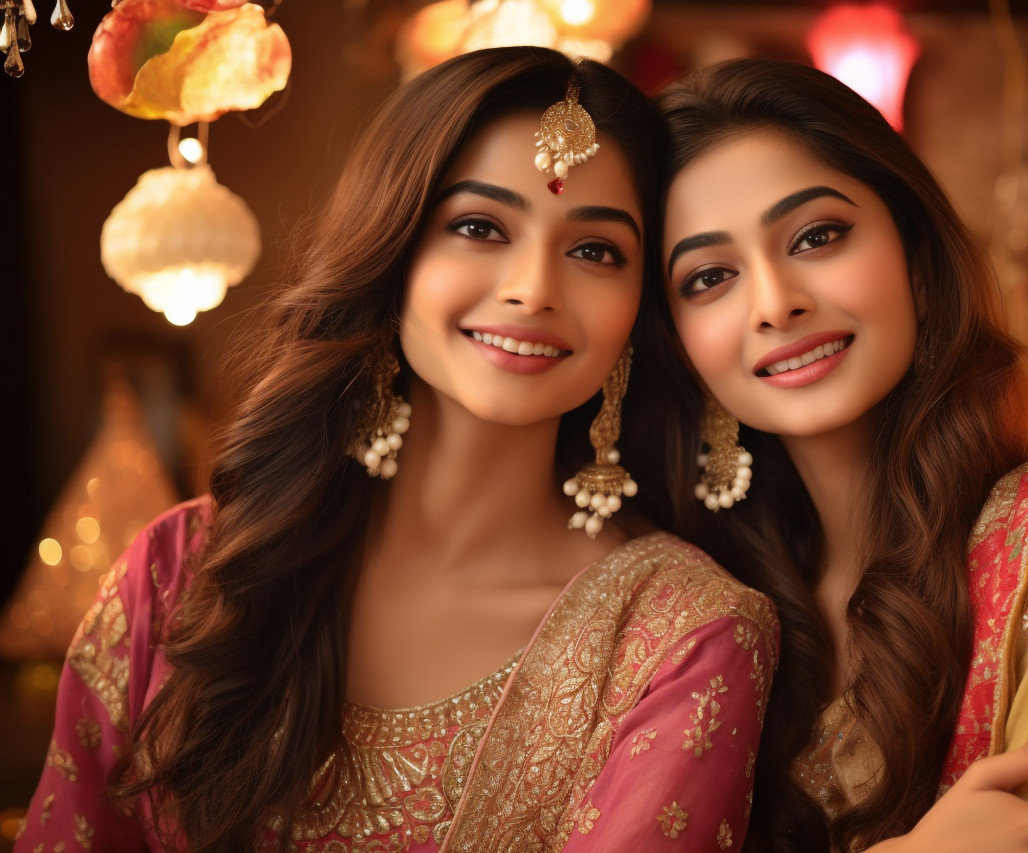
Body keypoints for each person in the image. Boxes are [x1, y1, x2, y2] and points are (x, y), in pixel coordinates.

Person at [19, 47, 778, 853]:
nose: (533, 288)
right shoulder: (182, 574)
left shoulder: (681, 637)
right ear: (393, 255)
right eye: (479, 227)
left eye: (594, 250)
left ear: (637, 310)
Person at [638, 58, 1028, 852]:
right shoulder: (709, 621)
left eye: (817, 235)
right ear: (676, 343)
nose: (775, 302)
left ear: (912, 247)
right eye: (708, 277)